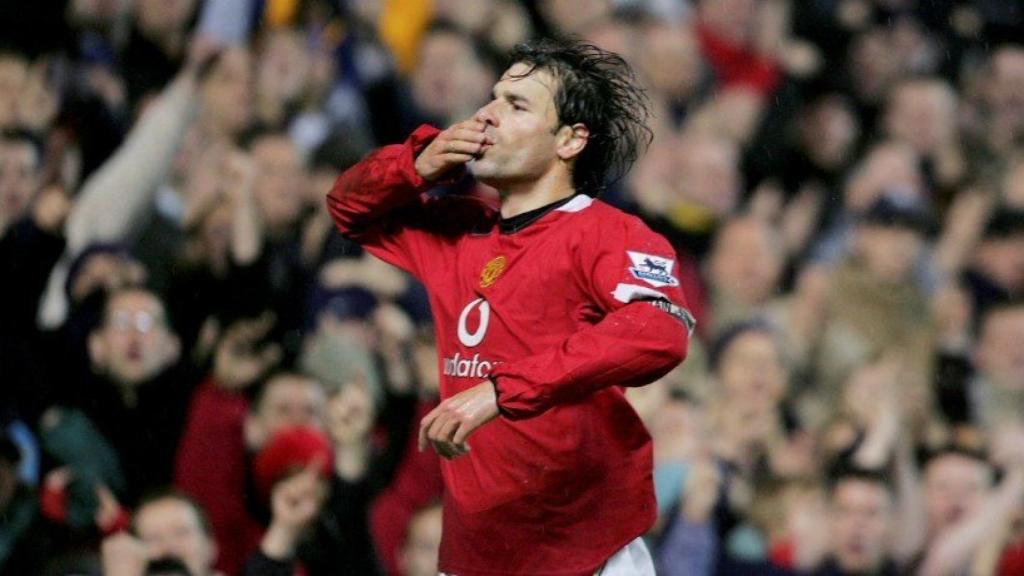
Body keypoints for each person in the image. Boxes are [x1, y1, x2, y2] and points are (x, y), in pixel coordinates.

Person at [327, 38, 693, 575]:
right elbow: (348, 209)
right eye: (492, 98)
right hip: (476, 553)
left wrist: (501, 390)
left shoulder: (609, 234)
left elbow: (660, 330)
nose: (486, 115)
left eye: (516, 105)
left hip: (585, 554)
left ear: (570, 140)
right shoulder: (457, 231)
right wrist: (415, 165)